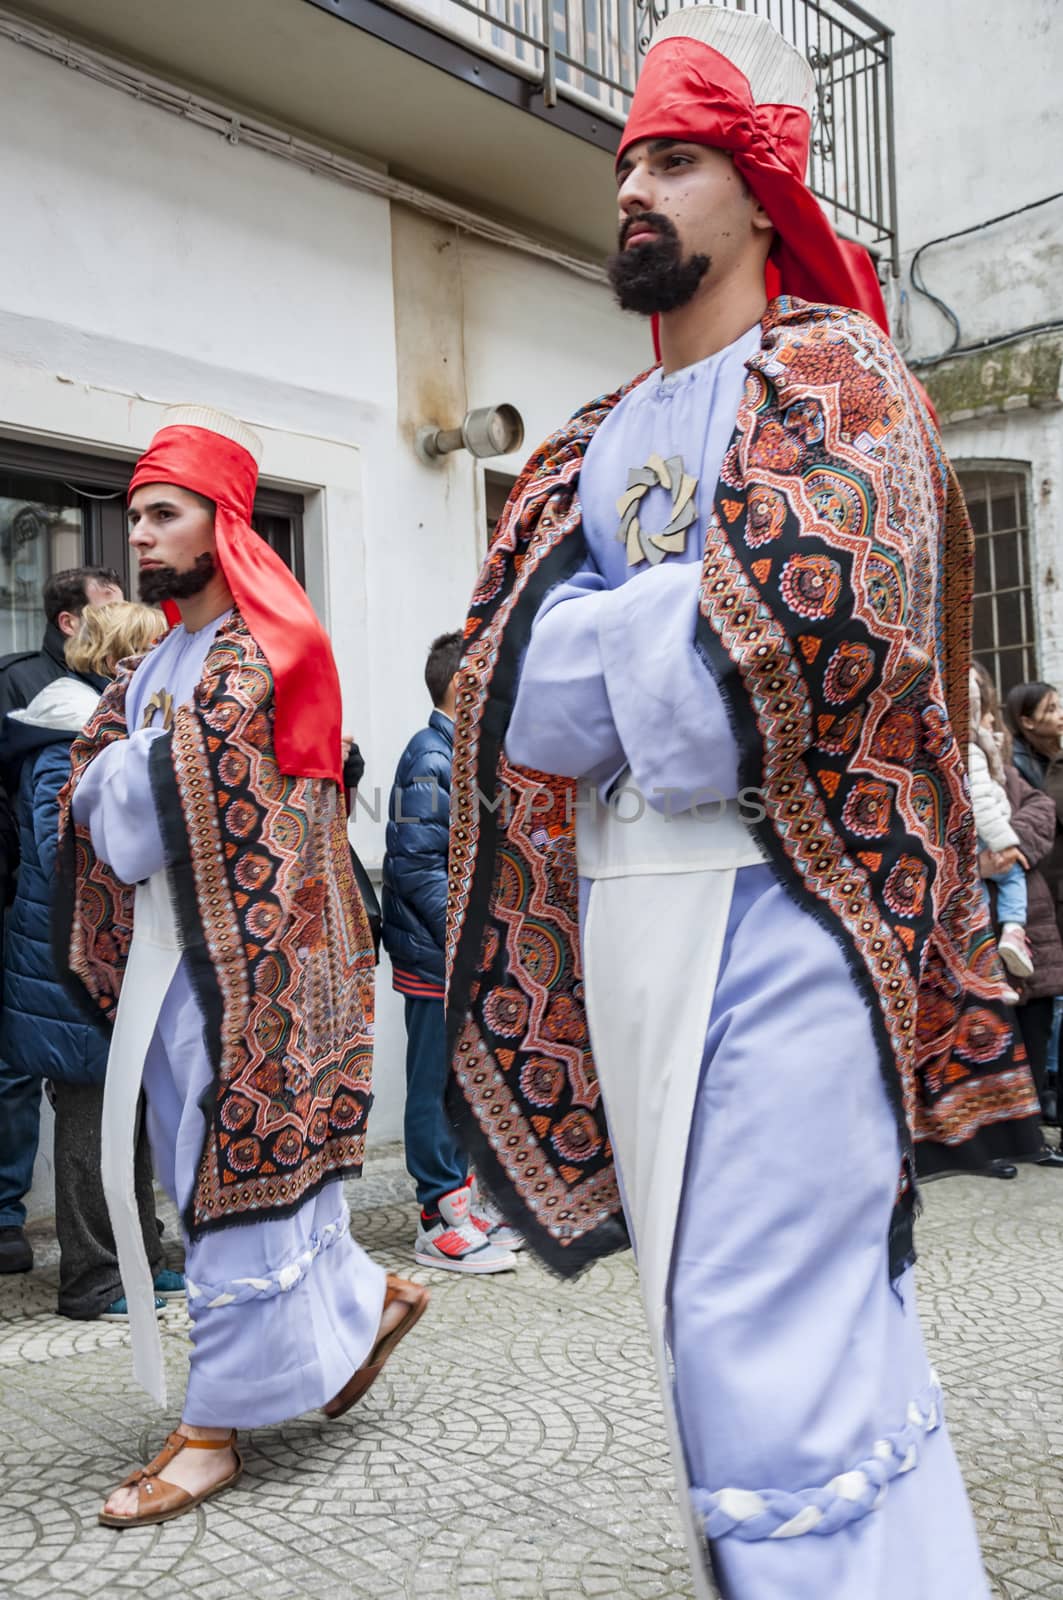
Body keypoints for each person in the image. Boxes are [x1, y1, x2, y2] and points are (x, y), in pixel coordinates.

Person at [444, 11, 1041, 1597]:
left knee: (754, 1337)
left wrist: (602, 658)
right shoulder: (574, 447)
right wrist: (621, 651)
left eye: (677, 157)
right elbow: (484, 682)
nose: (634, 184)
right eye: (628, 158)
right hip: (621, 926)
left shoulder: (836, 372)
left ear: (756, 193)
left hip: (788, 912)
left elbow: (796, 625)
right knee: (720, 1340)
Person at [56, 406, 428, 1528]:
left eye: (164, 514)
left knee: (227, 1186)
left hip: (249, 972)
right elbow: (97, 779)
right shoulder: (168, 656)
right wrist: (124, 769)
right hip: (176, 959)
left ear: (223, 521)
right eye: (134, 518)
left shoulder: (259, 652)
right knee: (196, 1167)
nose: (142, 539)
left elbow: (154, 798)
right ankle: (367, 1303)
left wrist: (123, 769)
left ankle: (213, 1428)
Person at [0, 601, 187, 1317]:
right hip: (68, 969)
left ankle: (141, 1256)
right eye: (151, 657)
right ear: (118, 665)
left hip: (104, 959)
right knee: (88, 1119)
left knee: (128, 1113)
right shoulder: (63, 743)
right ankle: (92, 1279)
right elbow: (61, 854)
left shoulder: (105, 736)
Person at [0, 565, 123, 1277]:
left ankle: (118, 1237)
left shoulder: (108, 694)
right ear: (73, 621)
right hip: (31, 899)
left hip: (77, 914)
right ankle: (7, 1213)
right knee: (22, 1069)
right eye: (111, 610)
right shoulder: (29, 689)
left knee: (86, 1077)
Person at [382, 632, 517, 1272]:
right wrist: (467, 943)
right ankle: (437, 1217)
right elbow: (416, 867)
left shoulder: (463, 755)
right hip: (437, 956)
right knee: (434, 1086)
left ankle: (462, 1201)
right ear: (462, 687)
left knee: (464, 1084)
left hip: (457, 953)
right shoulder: (428, 756)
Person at [968, 665, 1033, 979]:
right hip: (989, 837)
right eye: (985, 712)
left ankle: (988, 949)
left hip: (987, 838)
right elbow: (981, 804)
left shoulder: (984, 753)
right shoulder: (973, 753)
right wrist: (1005, 842)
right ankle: (1013, 931)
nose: (993, 719)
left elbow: (1040, 804)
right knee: (1012, 875)